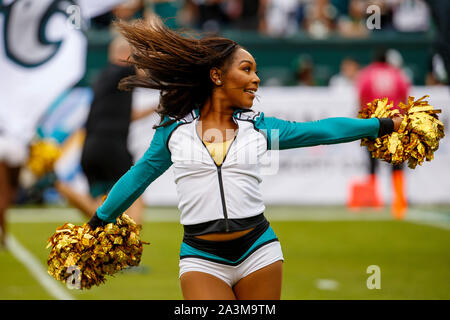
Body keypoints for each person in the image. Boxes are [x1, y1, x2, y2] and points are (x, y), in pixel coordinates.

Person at [85, 16, 402, 300]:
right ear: (217, 76)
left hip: (258, 250)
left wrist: (383, 124)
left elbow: (322, 131)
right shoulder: (174, 129)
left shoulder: (259, 127)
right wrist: (98, 221)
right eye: (246, 69)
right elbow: (137, 177)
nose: (256, 79)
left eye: (256, 71)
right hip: (201, 256)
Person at [355, 48, 410, 219]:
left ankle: (374, 202)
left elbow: (361, 96)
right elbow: (404, 96)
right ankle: (399, 204)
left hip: (374, 122)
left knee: (372, 163)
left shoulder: (367, 74)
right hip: (394, 122)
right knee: (397, 163)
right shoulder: (397, 74)